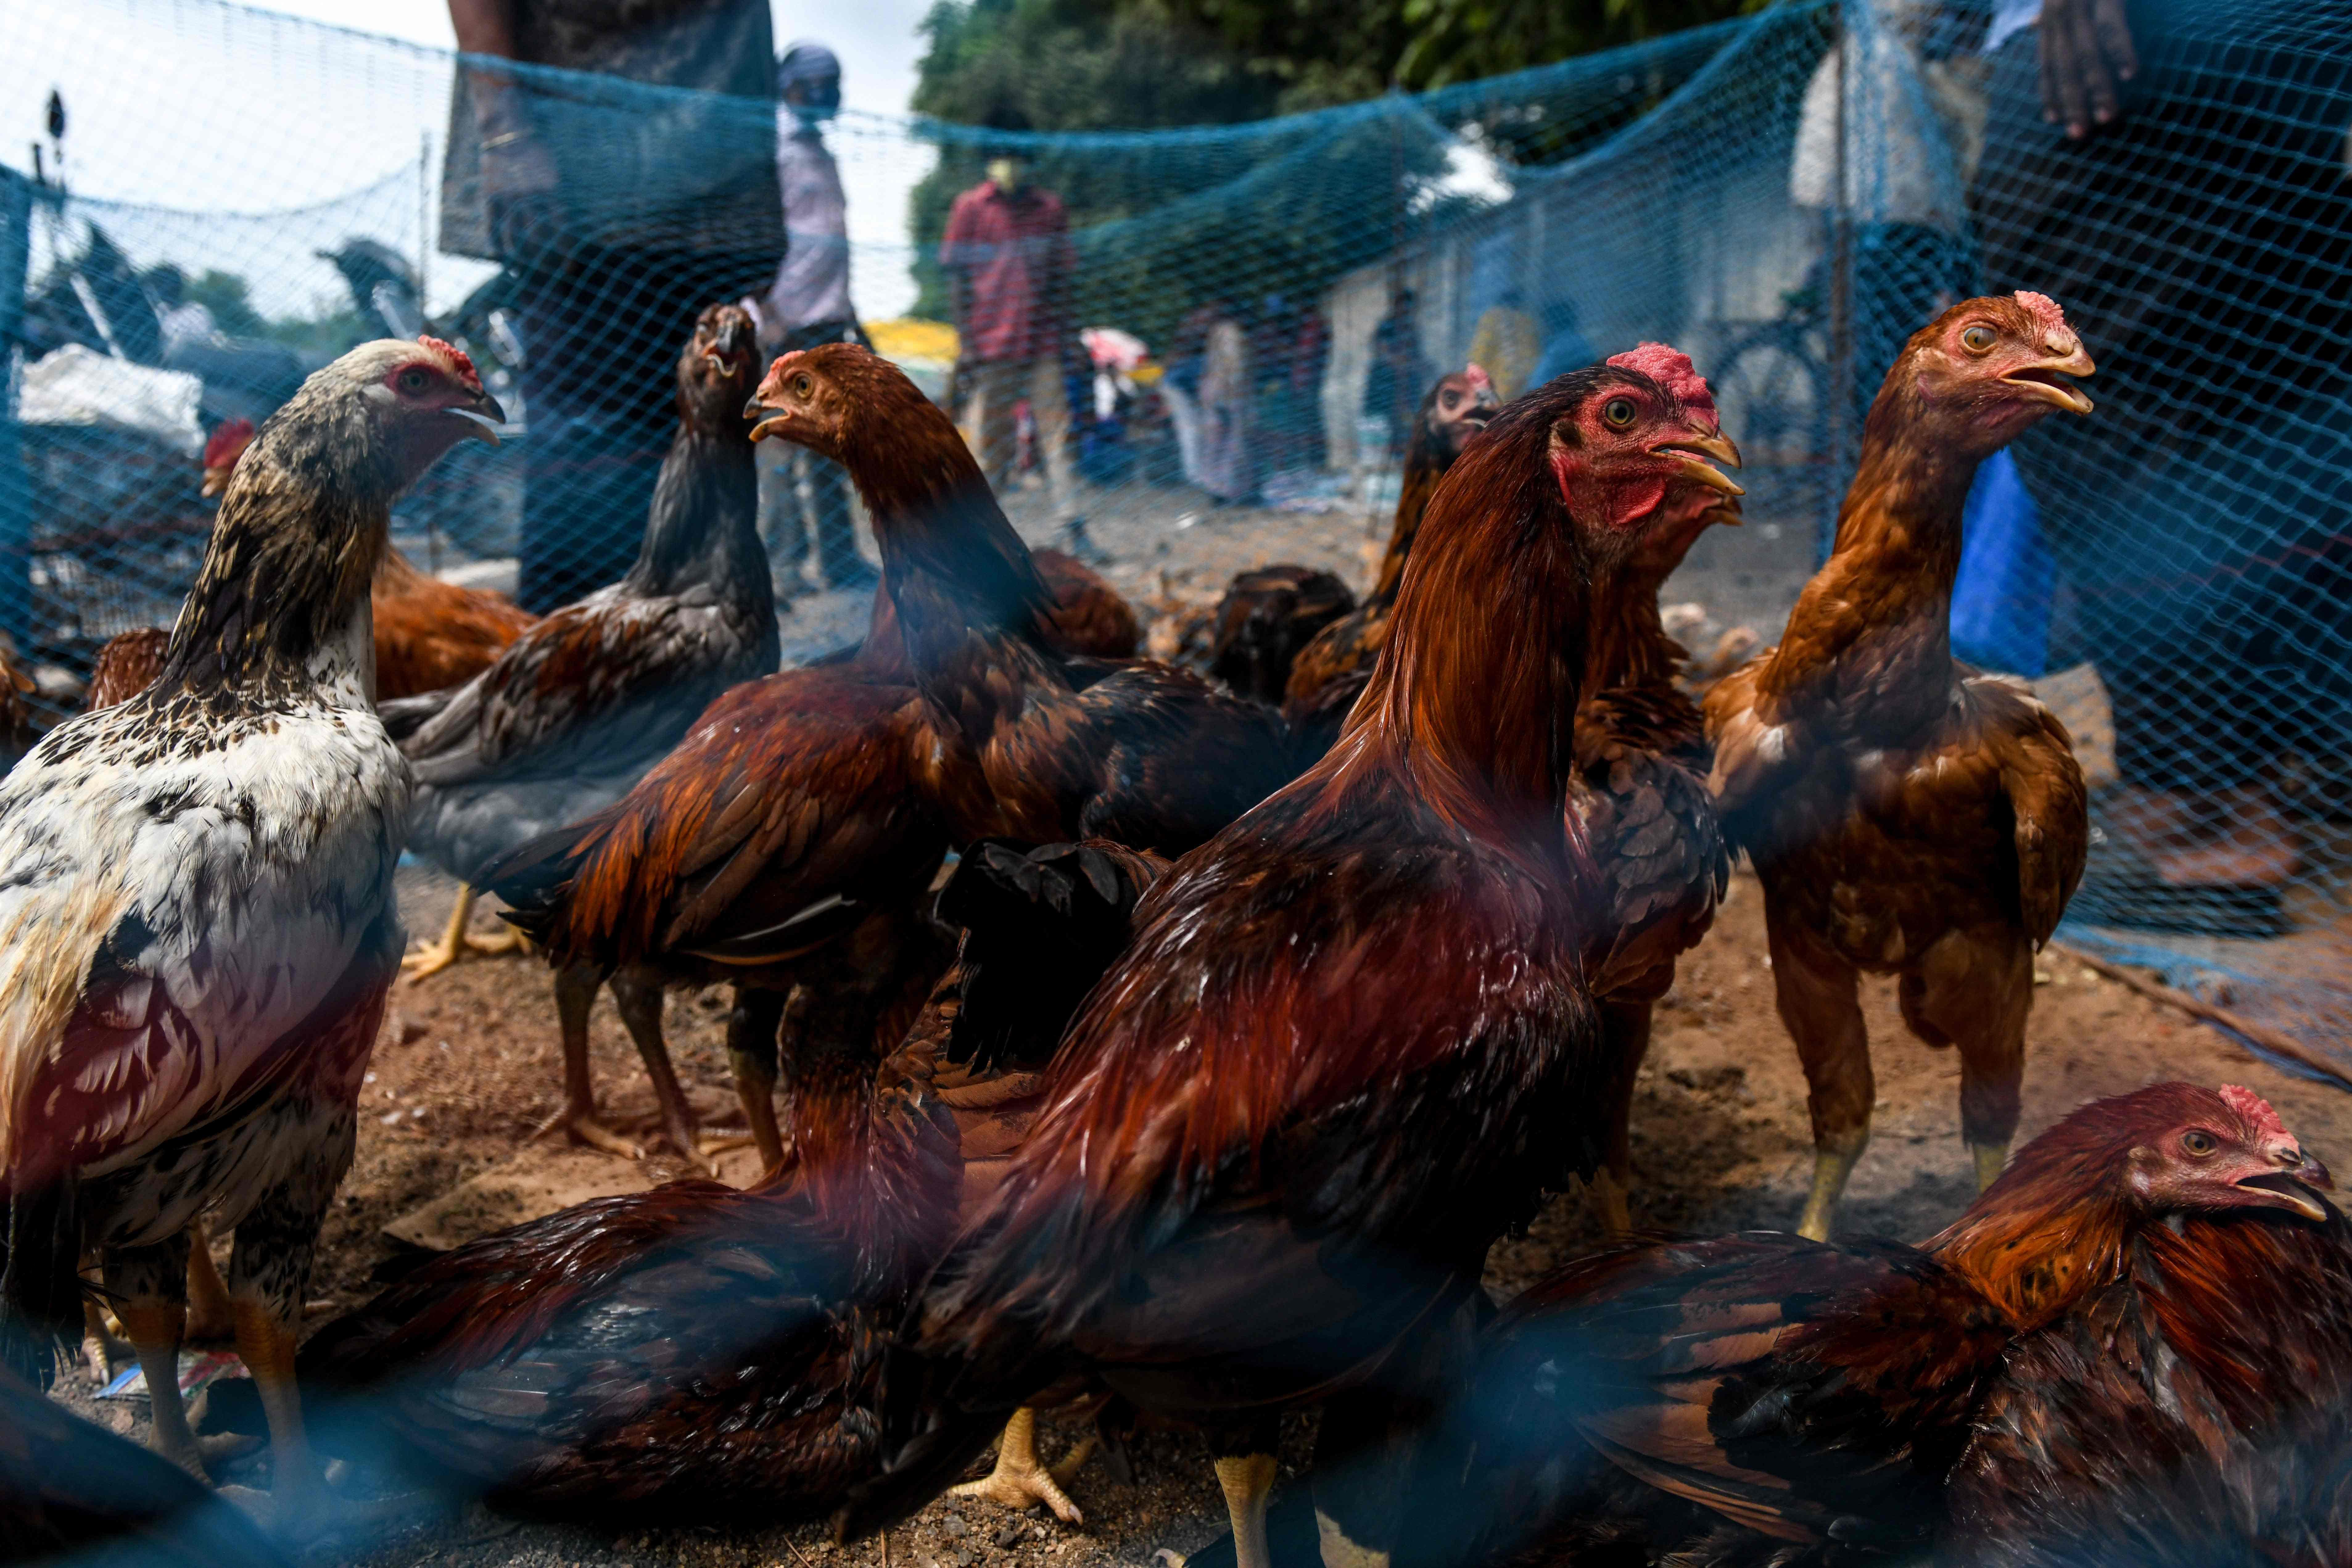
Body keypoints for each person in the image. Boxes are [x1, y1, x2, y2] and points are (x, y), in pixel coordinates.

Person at [1970, 0, 2352, 914]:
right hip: (2286, 46)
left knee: (2090, 390)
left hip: (2135, 47)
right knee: (2273, 391)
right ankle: (2278, 761)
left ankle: (2207, 812)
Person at [442, 0, 784, 613]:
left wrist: (757, 211)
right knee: (590, 473)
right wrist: (508, 135)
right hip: (583, 182)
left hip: (716, 180)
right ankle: (572, 689)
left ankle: (687, 685)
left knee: (706, 469)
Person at [752, 40, 875, 592]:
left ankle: (840, 560)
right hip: (785, 324)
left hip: (828, 323)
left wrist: (853, 319)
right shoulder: (771, 149)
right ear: (793, 87)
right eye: (823, 83)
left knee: (830, 448)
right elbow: (753, 236)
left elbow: (831, 244)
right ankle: (776, 571)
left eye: (838, 82)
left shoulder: (820, 153)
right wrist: (767, 313)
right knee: (778, 450)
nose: (834, 95)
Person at [940, 108, 1088, 549]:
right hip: (991, 344)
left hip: (1042, 342)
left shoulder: (1050, 210)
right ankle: (979, 534)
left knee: (1058, 434)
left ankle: (1073, 525)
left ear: (1029, 158)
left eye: (1016, 154)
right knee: (992, 445)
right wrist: (966, 344)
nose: (1009, 162)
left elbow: (1063, 281)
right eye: (1000, 154)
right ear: (989, 158)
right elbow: (956, 279)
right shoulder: (970, 209)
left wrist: (1071, 338)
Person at [1466, 287, 1540, 402]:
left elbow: (1481, 349)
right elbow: (1533, 353)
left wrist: (1475, 367)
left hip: (1496, 378)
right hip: (1521, 379)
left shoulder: (1493, 318)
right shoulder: (1526, 321)